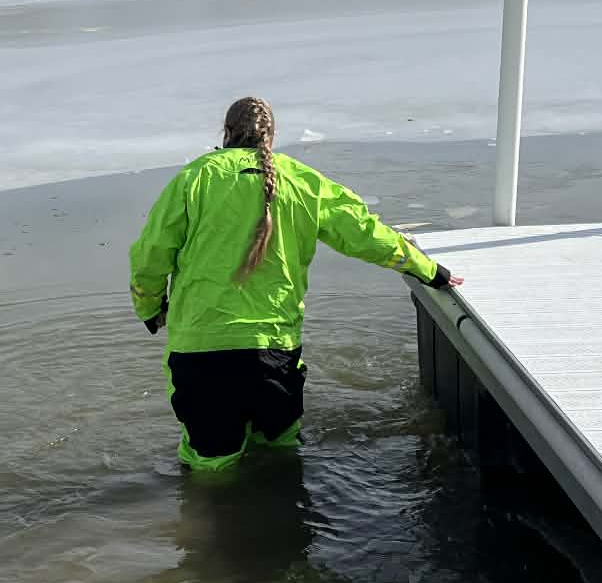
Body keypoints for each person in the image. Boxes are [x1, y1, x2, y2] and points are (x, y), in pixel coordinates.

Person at [129, 96, 462, 472]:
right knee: (281, 460)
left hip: (201, 355)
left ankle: (212, 508)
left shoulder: (194, 179)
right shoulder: (302, 180)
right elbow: (363, 232)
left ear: (226, 133)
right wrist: (426, 268)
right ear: (271, 136)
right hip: (274, 356)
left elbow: (150, 255)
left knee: (210, 468)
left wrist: (149, 307)